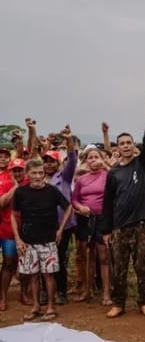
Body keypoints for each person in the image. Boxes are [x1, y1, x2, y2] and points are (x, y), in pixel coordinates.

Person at [101, 93, 145, 318]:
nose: (126, 146)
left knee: (142, 266)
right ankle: (118, 303)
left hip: (141, 225)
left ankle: (144, 301)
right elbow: (107, 203)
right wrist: (106, 230)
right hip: (119, 227)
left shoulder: (142, 165)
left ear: (134, 146)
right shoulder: (113, 173)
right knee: (119, 268)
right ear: (117, 147)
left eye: (129, 143)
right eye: (122, 143)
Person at [11, 159, 73, 321]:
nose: (38, 176)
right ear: (27, 174)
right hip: (28, 241)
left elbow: (68, 207)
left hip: (48, 240)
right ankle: (36, 306)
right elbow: (13, 215)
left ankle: (51, 306)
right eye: (34, 173)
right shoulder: (20, 192)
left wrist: (60, 229)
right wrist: (18, 239)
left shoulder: (52, 191)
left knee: (48, 275)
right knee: (33, 275)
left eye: (40, 173)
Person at [71, 147, 110, 304]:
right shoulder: (81, 179)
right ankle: (88, 290)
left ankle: (106, 292)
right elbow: (74, 198)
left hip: (102, 219)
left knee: (103, 255)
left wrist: (106, 165)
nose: (93, 160)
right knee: (87, 254)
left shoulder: (108, 176)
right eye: (90, 157)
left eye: (96, 157)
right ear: (86, 161)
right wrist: (80, 207)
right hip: (85, 219)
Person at [42, 127, 77, 305]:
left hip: (64, 225)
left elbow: (72, 159)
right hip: (44, 226)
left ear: (57, 163)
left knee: (60, 257)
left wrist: (69, 140)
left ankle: (61, 291)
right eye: (45, 161)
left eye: (51, 161)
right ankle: (44, 290)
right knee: (44, 258)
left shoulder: (64, 177)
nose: (48, 164)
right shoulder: (38, 179)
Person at [0, 153, 20, 311]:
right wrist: (15, 186)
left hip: (13, 228)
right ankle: (3, 297)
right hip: (3, 225)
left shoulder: (21, 176)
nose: (2, 159)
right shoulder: (9, 181)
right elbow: (2, 203)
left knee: (10, 261)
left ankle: (6, 296)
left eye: (5, 156)